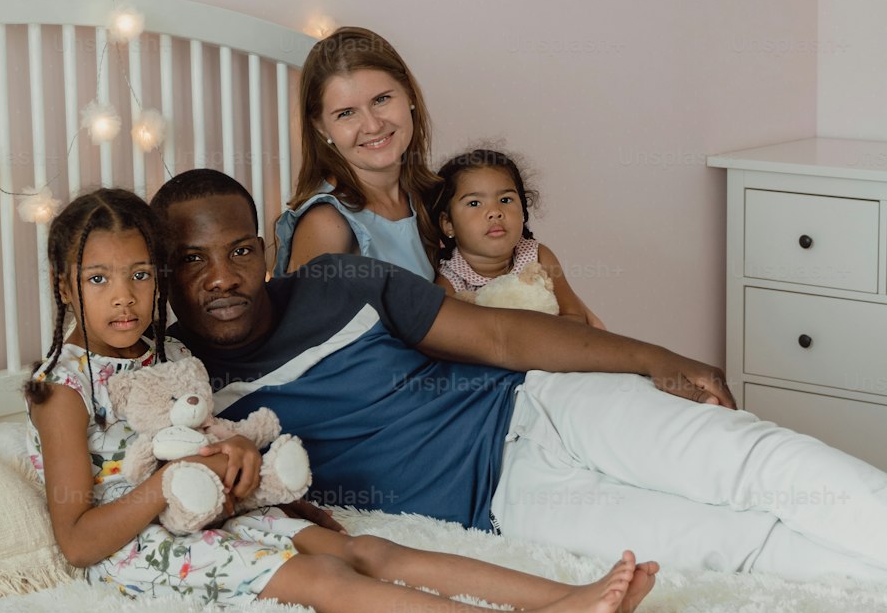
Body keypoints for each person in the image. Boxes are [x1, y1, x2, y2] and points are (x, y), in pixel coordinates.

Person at [155, 168, 887, 583]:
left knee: (755, 461)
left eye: (240, 250)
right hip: (512, 502)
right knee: (729, 545)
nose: (223, 277)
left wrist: (658, 358)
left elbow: (500, 334)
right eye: (192, 260)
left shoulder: (340, 278)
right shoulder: (182, 389)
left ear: (263, 250)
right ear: (162, 274)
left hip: (544, 407)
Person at [24, 187, 655, 613]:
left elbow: (204, 438)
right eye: (98, 279)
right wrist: (169, 486)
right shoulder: (63, 387)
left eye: (139, 276)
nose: (124, 298)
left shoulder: (173, 356)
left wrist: (240, 452)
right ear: (63, 286)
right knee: (325, 576)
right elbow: (78, 541)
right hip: (143, 547)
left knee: (366, 548)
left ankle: (561, 596)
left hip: (207, 513)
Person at [272, 26, 438, 279]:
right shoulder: (328, 224)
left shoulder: (433, 197)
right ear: (320, 126)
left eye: (381, 99)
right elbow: (308, 318)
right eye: (346, 113)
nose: (373, 126)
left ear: (409, 95)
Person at [433, 147, 606, 328]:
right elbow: (449, 336)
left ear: (522, 210)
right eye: (474, 203)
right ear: (448, 224)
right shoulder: (451, 281)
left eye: (505, 200)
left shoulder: (538, 256)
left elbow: (574, 315)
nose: (495, 212)